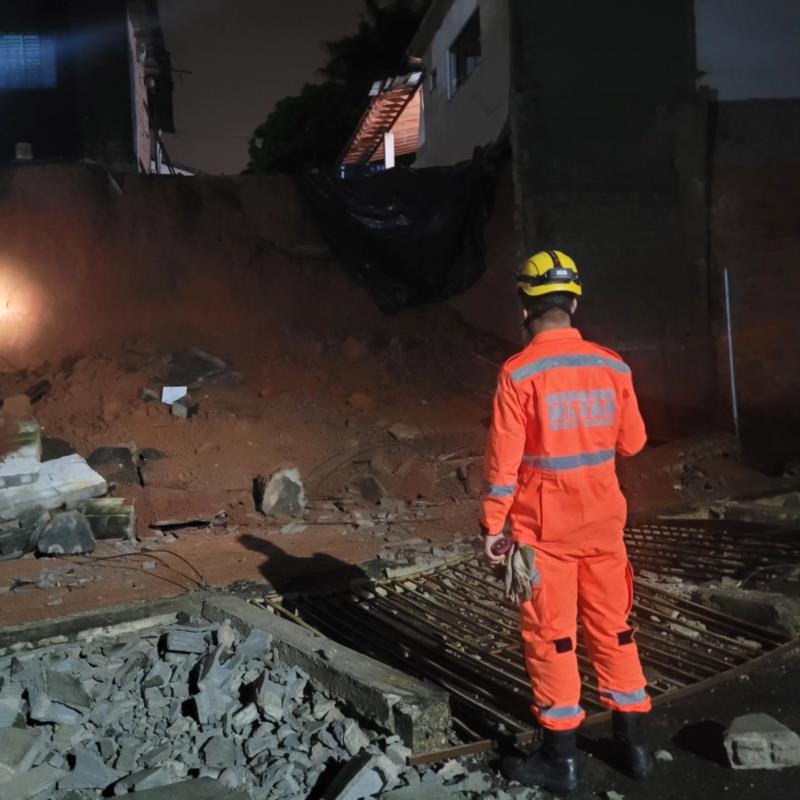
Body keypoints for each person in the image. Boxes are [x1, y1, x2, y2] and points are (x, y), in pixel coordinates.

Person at [481, 250, 654, 794]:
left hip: (544, 534)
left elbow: (503, 462)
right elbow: (633, 442)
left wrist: (492, 526)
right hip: (604, 527)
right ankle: (637, 749)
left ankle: (562, 759)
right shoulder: (612, 365)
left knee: (552, 638)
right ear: (575, 302)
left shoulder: (519, 373)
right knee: (616, 630)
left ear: (524, 307)